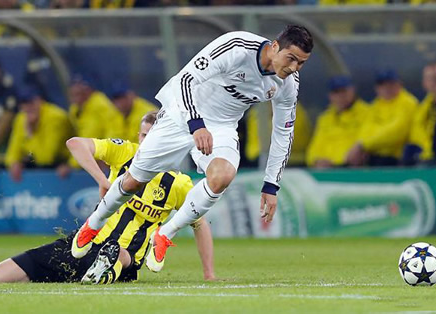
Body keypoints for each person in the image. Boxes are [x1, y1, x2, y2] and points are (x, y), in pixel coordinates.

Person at [71, 24, 313, 273]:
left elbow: (283, 132)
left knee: (222, 177)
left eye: (301, 63)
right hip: (182, 112)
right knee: (134, 181)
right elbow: (186, 79)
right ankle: (94, 222)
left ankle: (164, 234)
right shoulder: (237, 47)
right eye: (291, 58)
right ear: (274, 46)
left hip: (222, 126)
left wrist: (271, 185)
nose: (294, 67)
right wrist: (196, 124)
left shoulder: (288, 83)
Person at [0, 111, 215, 284]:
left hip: (125, 257)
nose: (147, 142)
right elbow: (75, 144)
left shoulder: (177, 182)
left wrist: (208, 274)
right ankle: (88, 272)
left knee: (119, 253)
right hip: (84, 244)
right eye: (144, 135)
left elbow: (199, 222)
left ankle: (103, 271)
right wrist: (101, 180)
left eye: (153, 136)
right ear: (139, 136)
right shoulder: (125, 152)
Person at [346, 69, 418, 166]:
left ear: (400, 85)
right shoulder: (375, 105)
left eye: (391, 84)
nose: (386, 88)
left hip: (397, 159)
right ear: (376, 88)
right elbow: (365, 129)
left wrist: (363, 145)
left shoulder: (408, 102)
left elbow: (396, 132)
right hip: (373, 156)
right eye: (382, 84)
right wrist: (361, 147)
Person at [4, 87, 73, 182]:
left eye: (31, 102)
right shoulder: (22, 117)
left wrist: (31, 132)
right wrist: (14, 163)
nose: (28, 107)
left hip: (64, 163)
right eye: (23, 104)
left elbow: (47, 157)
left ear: (40, 101)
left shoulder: (55, 117)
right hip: (39, 160)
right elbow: (13, 150)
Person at [306, 75, 369, 168]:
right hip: (325, 169)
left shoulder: (367, 113)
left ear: (352, 91)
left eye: (344, 91)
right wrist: (316, 160)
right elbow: (314, 147)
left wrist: (336, 162)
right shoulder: (325, 118)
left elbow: (364, 143)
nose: (340, 96)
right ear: (330, 96)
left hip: (350, 168)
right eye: (336, 92)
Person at [68, 73, 120, 167]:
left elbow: (90, 136)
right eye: (74, 85)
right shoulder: (76, 109)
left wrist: (72, 165)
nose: (76, 89)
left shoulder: (98, 105)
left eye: (80, 87)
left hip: (106, 159)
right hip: (91, 156)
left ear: (88, 89)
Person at [405, 62, 436, 164]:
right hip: (428, 156)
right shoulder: (424, 106)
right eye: (431, 79)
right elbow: (416, 131)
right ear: (424, 82)